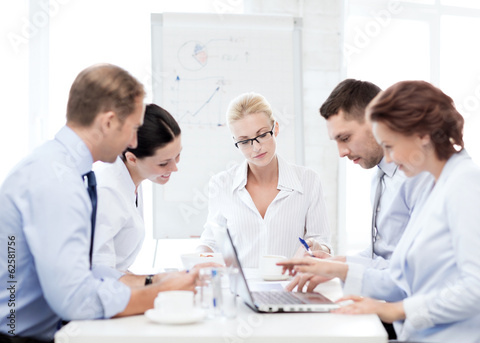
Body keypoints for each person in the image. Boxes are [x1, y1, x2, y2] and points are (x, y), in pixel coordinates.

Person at [279, 80, 480, 342]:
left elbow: (479, 288)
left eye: (391, 146)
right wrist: (333, 266)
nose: (390, 159)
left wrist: (391, 309)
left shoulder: (467, 183)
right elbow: (402, 274)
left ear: (422, 135)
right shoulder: (438, 184)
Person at [0, 64, 196, 342]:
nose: (134, 141)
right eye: (134, 128)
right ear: (108, 122)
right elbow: (75, 299)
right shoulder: (58, 181)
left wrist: (153, 283)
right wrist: (160, 293)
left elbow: (86, 270)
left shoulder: (61, 167)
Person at [286, 79, 433, 295]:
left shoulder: (418, 177)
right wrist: (335, 263)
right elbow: (383, 256)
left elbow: (413, 274)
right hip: (394, 309)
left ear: (377, 123)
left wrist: (342, 269)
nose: (341, 152)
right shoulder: (381, 176)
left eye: (345, 138)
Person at [197, 92, 332, 267]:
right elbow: (211, 241)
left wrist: (316, 248)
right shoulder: (222, 184)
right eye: (244, 142)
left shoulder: (308, 181)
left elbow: (323, 243)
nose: (256, 147)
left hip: (289, 287)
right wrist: (200, 257)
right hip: (242, 290)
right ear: (235, 142)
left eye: (262, 135)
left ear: (275, 128)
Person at [92, 104, 181, 273]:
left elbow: (116, 267)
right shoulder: (107, 191)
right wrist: (154, 282)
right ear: (132, 159)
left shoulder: (132, 178)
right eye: (164, 163)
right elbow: (100, 275)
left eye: (178, 156)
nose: (174, 167)